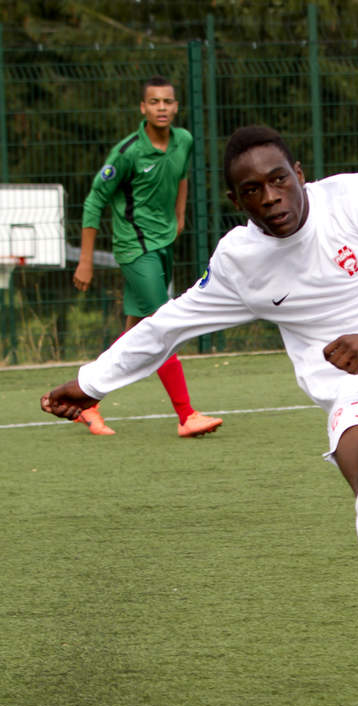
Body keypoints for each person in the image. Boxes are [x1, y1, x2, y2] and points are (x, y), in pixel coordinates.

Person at [41, 125, 358, 706]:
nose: (271, 197)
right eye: (252, 190)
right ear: (237, 200)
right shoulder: (240, 262)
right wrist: (92, 383)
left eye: (279, 179)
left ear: (300, 172)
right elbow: (169, 323)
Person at [72, 75, 222, 438]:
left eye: (168, 102)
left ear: (176, 106)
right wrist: (86, 260)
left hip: (161, 245)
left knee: (136, 333)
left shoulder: (183, 140)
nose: (162, 108)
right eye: (154, 102)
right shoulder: (127, 153)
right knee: (163, 323)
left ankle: (85, 402)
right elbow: (95, 200)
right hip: (134, 248)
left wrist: (180, 214)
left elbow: (182, 175)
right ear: (143, 108)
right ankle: (186, 415)